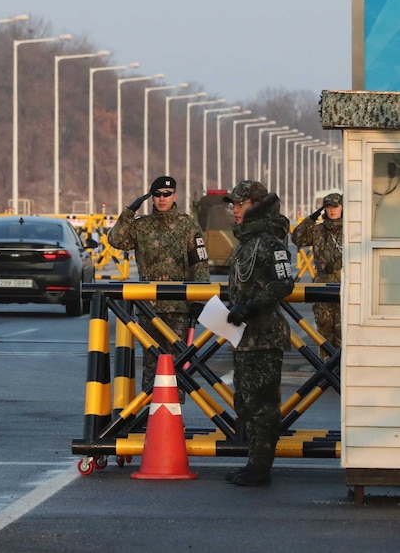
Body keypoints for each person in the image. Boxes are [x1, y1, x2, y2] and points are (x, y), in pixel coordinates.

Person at [108, 176, 210, 402]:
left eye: (167, 194)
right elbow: (115, 240)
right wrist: (128, 212)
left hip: (178, 307)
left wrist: (198, 301)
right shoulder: (141, 225)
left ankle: (173, 415)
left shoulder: (187, 225)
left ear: (175, 195)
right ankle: (148, 414)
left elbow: (199, 264)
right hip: (149, 307)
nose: (162, 199)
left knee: (177, 362)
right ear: (151, 197)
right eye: (157, 195)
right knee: (151, 362)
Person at [223, 180, 295, 487]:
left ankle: (260, 468)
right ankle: (253, 462)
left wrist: (250, 306)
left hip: (264, 337)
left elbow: (283, 284)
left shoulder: (268, 241)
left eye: (240, 205)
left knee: (263, 405)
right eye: (234, 206)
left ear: (256, 205)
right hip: (244, 337)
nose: (235, 211)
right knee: (246, 403)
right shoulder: (246, 242)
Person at [290, 193, 343, 356]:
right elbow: (297, 238)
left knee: (342, 331)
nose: (332, 210)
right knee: (324, 333)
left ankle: (342, 373)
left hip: (343, 286)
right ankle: (326, 371)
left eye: (335, 207)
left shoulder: (350, 230)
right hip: (322, 287)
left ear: (342, 208)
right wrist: (311, 218)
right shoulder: (319, 230)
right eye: (328, 207)